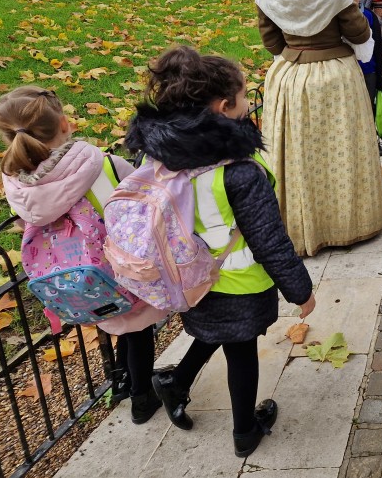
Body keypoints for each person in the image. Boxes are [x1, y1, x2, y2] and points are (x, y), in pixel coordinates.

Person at [119, 47, 315, 456]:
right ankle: (245, 431)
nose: (248, 103)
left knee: (218, 332)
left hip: (190, 276)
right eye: (244, 97)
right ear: (225, 107)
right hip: (239, 279)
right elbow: (269, 240)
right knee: (241, 350)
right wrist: (301, 290)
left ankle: (176, 382)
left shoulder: (159, 153)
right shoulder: (239, 172)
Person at [0, 87, 166, 425]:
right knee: (138, 330)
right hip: (118, 269)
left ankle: (120, 382)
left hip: (68, 275)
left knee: (118, 325)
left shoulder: (17, 185)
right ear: (65, 124)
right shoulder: (102, 165)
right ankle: (142, 398)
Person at [258, 0, 382, 255]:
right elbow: (358, 31)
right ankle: (347, 223)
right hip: (334, 78)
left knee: (301, 155)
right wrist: (360, 51)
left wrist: (297, 46)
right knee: (340, 149)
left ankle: (302, 225)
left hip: (291, 79)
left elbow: (271, 42)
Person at [342, 0, 382, 155]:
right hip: (346, 72)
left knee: (368, 106)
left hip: (368, 70)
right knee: (348, 109)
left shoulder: (369, 16)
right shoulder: (336, 17)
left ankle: (371, 141)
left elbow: (379, 47)